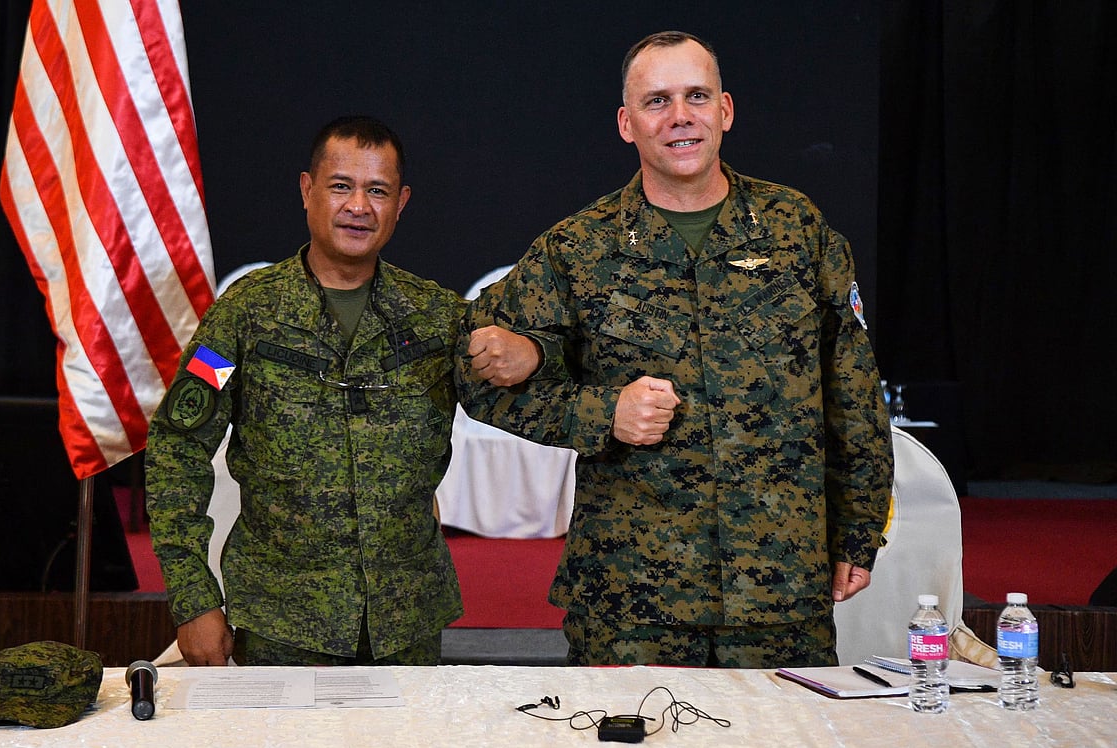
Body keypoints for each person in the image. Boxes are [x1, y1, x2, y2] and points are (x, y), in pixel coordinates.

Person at [458, 32, 894, 668]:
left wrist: (859, 528)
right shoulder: (577, 249)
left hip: (777, 591)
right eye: (657, 101)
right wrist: (600, 412)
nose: (680, 116)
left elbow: (853, 390)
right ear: (626, 123)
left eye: (697, 95)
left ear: (726, 110)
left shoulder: (796, 229)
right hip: (632, 600)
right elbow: (475, 373)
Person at [147, 116, 532, 667]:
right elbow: (177, 448)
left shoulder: (437, 318)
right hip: (282, 623)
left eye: (377, 191)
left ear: (401, 203)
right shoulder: (243, 317)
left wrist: (539, 361)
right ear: (307, 191)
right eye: (341, 186)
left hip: (406, 623)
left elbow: (527, 407)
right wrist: (192, 599)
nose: (359, 206)